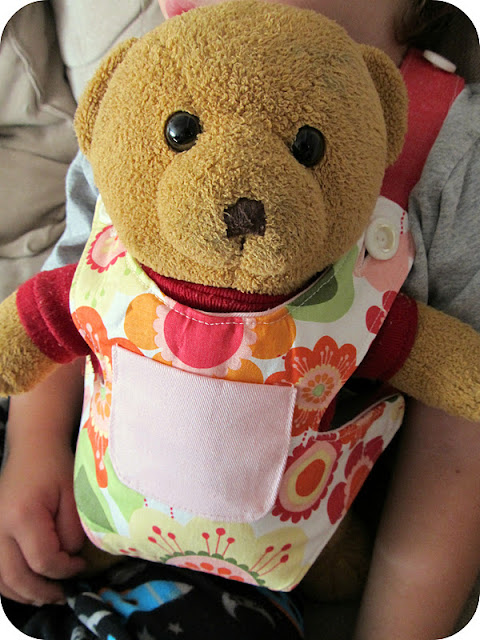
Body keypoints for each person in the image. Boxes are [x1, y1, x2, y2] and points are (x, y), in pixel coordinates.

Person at [0, 2, 479, 640]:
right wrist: (32, 450)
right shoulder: (154, 78)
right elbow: (73, 291)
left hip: (274, 550)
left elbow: (456, 435)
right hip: (88, 465)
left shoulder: (452, 146)